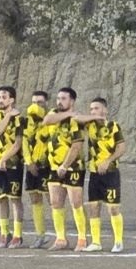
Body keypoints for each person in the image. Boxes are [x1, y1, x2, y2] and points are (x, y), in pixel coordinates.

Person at [73, 96, 127, 253]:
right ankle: (96, 242)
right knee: (93, 207)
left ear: (105, 109)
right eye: (91, 109)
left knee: (113, 208)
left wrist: (108, 161)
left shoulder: (113, 126)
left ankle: (118, 241)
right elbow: (76, 118)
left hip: (111, 173)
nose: (93, 111)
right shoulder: (90, 125)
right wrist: (92, 116)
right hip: (94, 174)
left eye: (96, 108)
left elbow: (122, 148)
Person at [43, 86, 90, 251]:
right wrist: (67, 113)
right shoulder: (54, 115)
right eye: (58, 98)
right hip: (53, 166)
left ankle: (82, 239)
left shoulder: (75, 120)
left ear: (72, 101)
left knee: (76, 202)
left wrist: (65, 165)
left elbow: (77, 145)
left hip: (74, 167)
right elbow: (46, 121)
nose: (59, 101)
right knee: (56, 202)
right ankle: (61, 239)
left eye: (63, 98)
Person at [0, 85, 26, 248]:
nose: (0, 100)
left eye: (4, 97)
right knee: (1, 198)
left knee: (15, 198)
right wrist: (8, 116)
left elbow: (18, 144)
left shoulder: (20, 119)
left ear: (12, 99)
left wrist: (5, 158)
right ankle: (4, 233)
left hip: (14, 164)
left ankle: (18, 235)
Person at [22, 89, 53, 248]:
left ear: (46, 102)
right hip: (32, 166)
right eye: (34, 102)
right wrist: (28, 162)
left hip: (47, 165)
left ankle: (61, 235)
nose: (36, 106)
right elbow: (25, 142)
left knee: (53, 200)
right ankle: (40, 235)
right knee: (35, 198)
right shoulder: (28, 121)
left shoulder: (51, 119)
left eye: (40, 102)